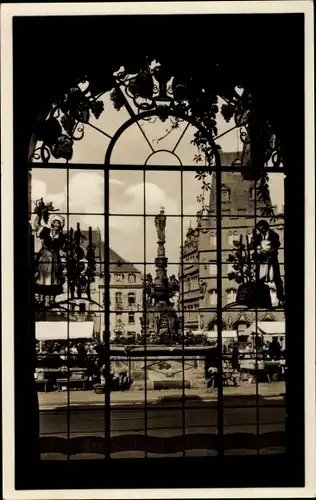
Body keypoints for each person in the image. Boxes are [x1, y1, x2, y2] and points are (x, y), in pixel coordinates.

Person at [34, 212, 66, 306]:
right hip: (44, 257)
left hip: (55, 259)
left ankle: (52, 300)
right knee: (41, 278)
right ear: (52, 223)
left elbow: (64, 248)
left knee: (54, 279)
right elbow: (36, 224)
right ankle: (41, 300)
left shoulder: (62, 236)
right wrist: (39, 213)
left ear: (61, 225)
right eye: (55, 222)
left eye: (58, 223)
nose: (56, 224)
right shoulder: (45, 230)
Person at [251, 220, 284, 306]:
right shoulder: (258, 237)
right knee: (260, 278)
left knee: (277, 278)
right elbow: (253, 246)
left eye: (260, 228)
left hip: (272, 259)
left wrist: (270, 252)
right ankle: (260, 300)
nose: (260, 230)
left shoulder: (274, 235)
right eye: (258, 228)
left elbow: (277, 245)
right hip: (262, 260)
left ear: (265, 227)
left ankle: (281, 298)